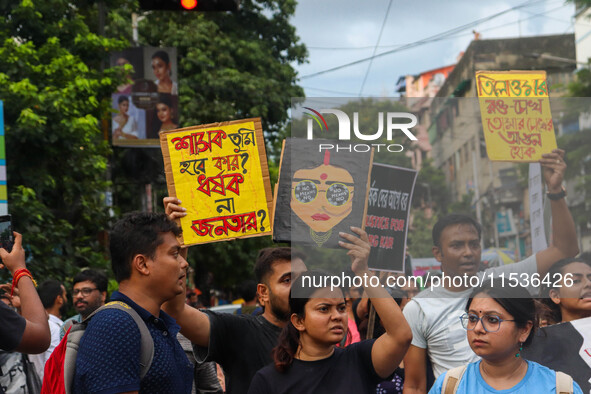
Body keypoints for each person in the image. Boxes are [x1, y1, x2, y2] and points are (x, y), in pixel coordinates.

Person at [403, 148, 580, 394]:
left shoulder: (504, 282)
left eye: (474, 244)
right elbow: (413, 385)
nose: (468, 252)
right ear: (437, 253)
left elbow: (565, 249)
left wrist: (555, 192)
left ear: (525, 329)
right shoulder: (418, 308)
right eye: (456, 245)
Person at [164, 190, 308, 394]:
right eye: (287, 279)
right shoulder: (239, 332)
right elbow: (174, 312)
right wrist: (180, 240)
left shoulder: (321, 334)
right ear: (263, 293)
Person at [246, 228, 412, 393]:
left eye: (341, 308)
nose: (337, 316)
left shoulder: (359, 359)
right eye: (324, 309)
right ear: (299, 321)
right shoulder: (269, 381)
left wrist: (363, 271)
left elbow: (401, 335)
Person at [72, 212, 193, 394]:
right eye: (175, 254)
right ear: (142, 264)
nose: (184, 263)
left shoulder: (153, 323)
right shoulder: (115, 325)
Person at [429, 281, 583, 393]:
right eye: (473, 318)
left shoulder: (559, 388)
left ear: (524, 330)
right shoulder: (449, 386)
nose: (477, 329)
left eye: (492, 320)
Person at [522, 255, 591, 392]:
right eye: (576, 280)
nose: (588, 284)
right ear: (555, 296)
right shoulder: (538, 342)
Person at [29, 279, 67, 380]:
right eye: (65, 295)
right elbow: (54, 370)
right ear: (59, 299)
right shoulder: (56, 329)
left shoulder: (32, 324)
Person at [60, 269, 108, 339]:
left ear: (103, 295)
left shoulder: (112, 323)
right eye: (76, 292)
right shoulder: (67, 326)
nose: (79, 296)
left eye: (86, 291)